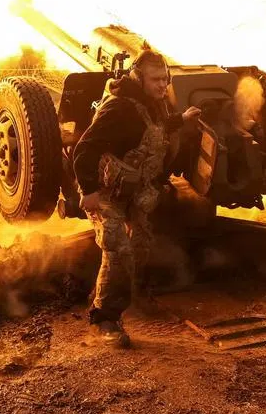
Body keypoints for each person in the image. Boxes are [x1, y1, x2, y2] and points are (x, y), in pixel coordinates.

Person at [72, 49, 201, 347]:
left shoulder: (152, 105)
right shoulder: (117, 108)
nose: (162, 85)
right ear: (138, 77)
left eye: (165, 79)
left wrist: (181, 118)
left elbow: (154, 129)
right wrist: (88, 191)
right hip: (105, 192)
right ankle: (104, 318)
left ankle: (137, 297)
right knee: (118, 248)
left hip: (133, 190)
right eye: (156, 79)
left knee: (141, 244)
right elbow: (83, 150)